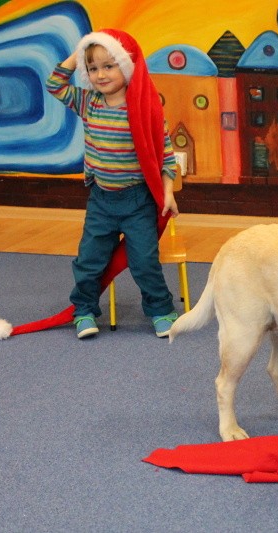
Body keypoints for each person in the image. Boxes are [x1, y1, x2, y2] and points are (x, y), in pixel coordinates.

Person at [46, 29, 179, 339]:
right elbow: (55, 84)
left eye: (109, 65)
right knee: (88, 260)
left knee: (144, 262)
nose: (100, 75)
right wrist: (81, 51)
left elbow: (165, 156)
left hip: (137, 202)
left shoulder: (144, 109)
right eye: (92, 68)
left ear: (127, 66)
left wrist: (168, 193)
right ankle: (84, 310)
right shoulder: (88, 102)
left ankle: (161, 309)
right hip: (101, 201)